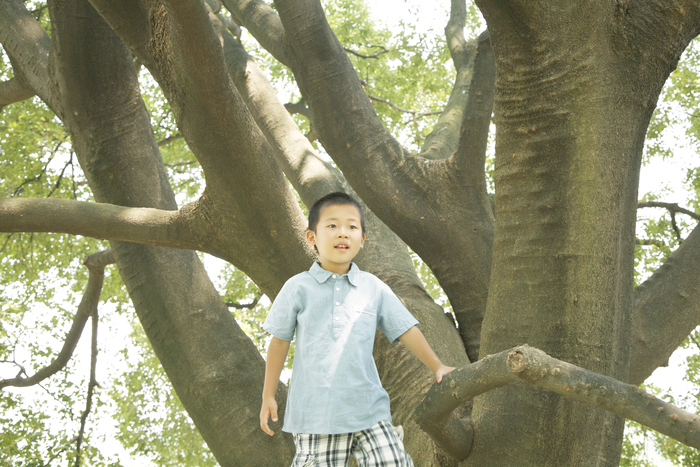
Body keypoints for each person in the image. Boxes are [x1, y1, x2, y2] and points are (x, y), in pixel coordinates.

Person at [260, 192, 455, 467]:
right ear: (311, 237)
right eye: (332, 225)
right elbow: (279, 342)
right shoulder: (297, 287)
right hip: (316, 415)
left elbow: (406, 329)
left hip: (369, 410)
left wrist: (438, 367)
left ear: (362, 240)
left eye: (352, 227)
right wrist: (269, 394)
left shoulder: (372, 287)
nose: (343, 233)